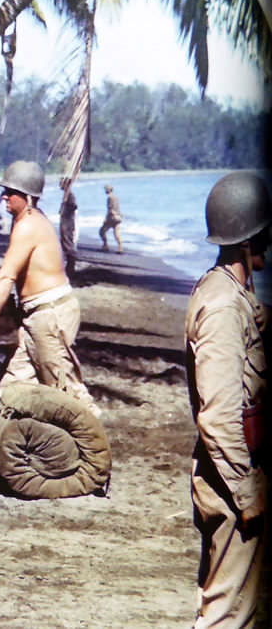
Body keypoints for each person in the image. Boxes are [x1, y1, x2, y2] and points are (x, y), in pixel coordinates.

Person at [184, 171, 268, 628]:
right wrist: (246, 491)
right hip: (232, 475)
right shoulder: (221, 307)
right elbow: (217, 418)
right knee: (226, 615)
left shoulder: (231, 292)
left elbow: (253, 322)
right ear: (246, 239)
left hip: (236, 466)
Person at [0, 160, 100, 417]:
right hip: (36, 316)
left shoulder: (29, 225)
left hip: (50, 315)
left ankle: (92, 449)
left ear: (29, 197)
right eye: (5, 190)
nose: (5, 196)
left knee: (67, 392)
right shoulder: (25, 221)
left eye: (11, 192)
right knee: (13, 387)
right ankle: (21, 446)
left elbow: (6, 276)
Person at [59, 177, 78, 278]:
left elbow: (74, 206)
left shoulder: (70, 195)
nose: (60, 185)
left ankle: (71, 267)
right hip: (65, 221)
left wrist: (65, 211)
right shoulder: (66, 195)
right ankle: (69, 266)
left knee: (68, 242)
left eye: (61, 183)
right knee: (64, 242)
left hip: (68, 222)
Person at [99, 183, 123, 252]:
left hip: (112, 218)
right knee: (116, 233)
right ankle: (120, 248)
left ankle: (105, 245)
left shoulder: (109, 198)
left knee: (102, 231)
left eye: (105, 189)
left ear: (107, 190)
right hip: (118, 217)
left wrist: (106, 219)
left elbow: (110, 209)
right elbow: (117, 208)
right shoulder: (116, 197)